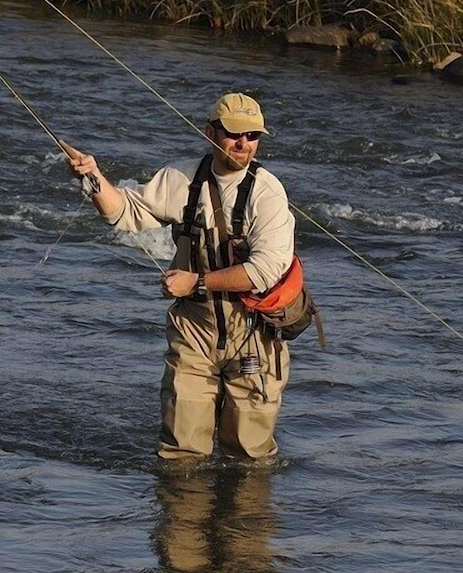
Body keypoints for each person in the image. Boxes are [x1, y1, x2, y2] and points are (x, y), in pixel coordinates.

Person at [66, 93, 295, 460]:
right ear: (210, 133)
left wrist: (196, 282)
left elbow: (265, 271)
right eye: (234, 134)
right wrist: (93, 178)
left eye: (252, 136)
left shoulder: (268, 193)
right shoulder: (180, 179)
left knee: (249, 459)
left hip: (255, 334)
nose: (243, 144)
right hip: (194, 332)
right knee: (181, 456)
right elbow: (124, 213)